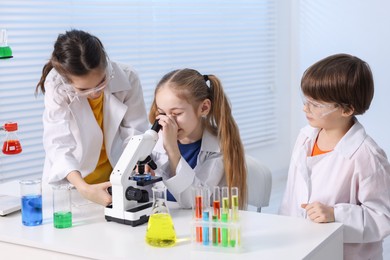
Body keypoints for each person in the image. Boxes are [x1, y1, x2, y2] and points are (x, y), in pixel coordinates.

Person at [279, 53, 390, 260]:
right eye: (306, 100)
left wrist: (335, 215)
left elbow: (383, 218)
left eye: (316, 104)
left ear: (347, 109)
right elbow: (290, 198)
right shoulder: (305, 137)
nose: (305, 108)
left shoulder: (367, 156)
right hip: (301, 248)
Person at [35, 29, 149, 206]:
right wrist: (84, 188)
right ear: (66, 81)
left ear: (106, 65)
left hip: (114, 180)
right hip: (74, 183)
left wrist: (137, 164)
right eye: (83, 90)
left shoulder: (128, 77)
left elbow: (135, 134)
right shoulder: (57, 86)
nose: (95, 93)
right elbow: (58, 144)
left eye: (101, 82)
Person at [148, 68, 247, 209]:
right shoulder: (153, 143)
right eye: (162, 113)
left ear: (204, 108)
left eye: (176, 113)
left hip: (202, 225)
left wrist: (172, 150)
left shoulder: (218, 150)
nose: (169, 122)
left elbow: (195, 202)